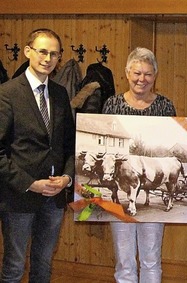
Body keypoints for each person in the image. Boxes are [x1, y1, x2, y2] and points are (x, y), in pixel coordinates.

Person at [0, 28, 75, 283]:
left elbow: (69, 145)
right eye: (42, 51)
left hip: (54, 199)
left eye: (54, 54)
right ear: (28, 51)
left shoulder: (60, 94)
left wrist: (67, 177)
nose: (48, 58)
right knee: (14, 267)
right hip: (18, 198)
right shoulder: (7, 93)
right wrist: (30, 183)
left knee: (43, 267)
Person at [102, 47, 177, 283]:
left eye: (147, 74)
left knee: (151, 259)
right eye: (136, 73)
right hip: (122, 182)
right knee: (124, 261)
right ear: (126, 73)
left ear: (155, 75)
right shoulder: (111, 104)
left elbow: (167, 142)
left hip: (151, 175)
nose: (141, 79)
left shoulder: (166, 106)